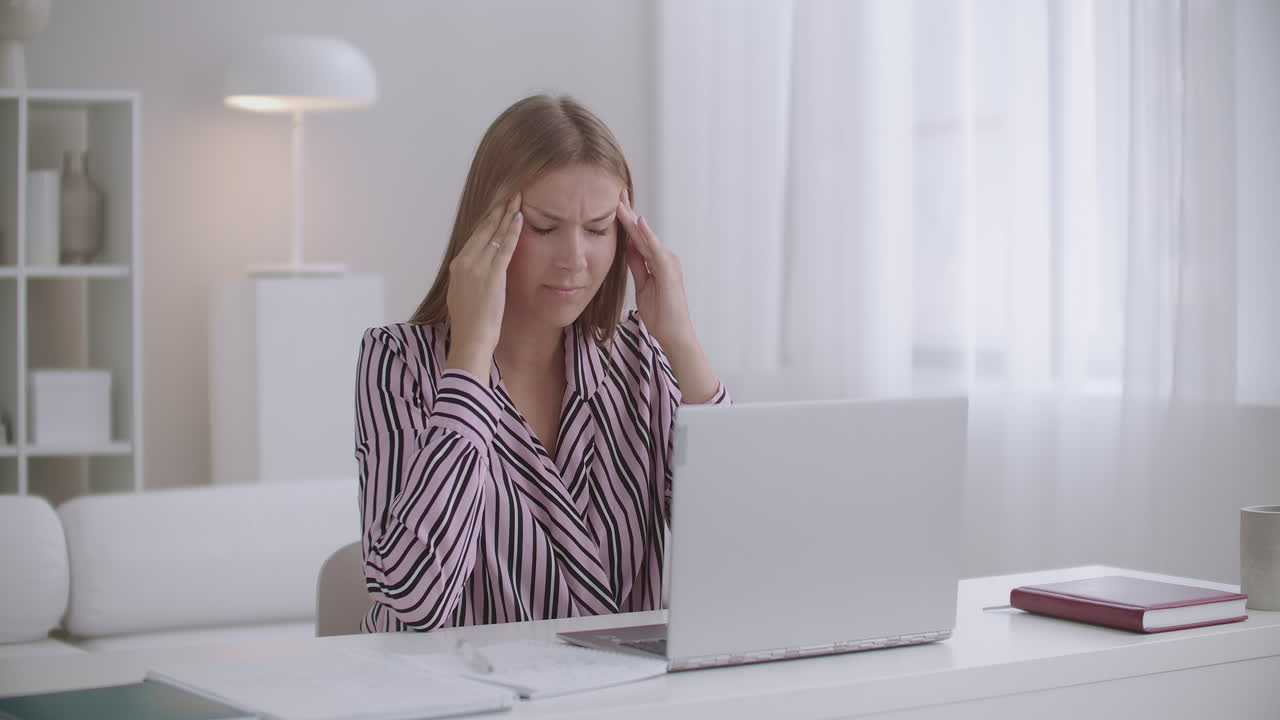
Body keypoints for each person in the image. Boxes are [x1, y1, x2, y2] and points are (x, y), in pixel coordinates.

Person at [353, 94, 729, 633]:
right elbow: (415, 598)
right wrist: (471, 360)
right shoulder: (398, 363)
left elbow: (745, 551)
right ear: (486, 228)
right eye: (545, 228)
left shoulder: (639, 360)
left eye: (599, 229)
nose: (575, 258)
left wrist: (682, 343)